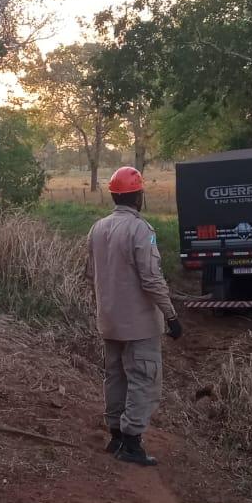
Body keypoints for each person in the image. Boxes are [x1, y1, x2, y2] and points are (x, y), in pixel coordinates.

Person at [85, 166, 182, 467]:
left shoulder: (97, 228)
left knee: (115, 378)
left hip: (109, 321)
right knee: (143, 379)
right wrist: (171, 315)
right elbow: (152, 279)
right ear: (138, 196)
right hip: (139, 325)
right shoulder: (142, 231)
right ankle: (131, 443)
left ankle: (116, 437)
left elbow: (89, 274)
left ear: (115, 195)